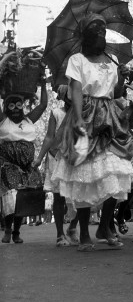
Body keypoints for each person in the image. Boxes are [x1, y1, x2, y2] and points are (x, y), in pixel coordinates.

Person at [50, 13, 133, 251]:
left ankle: (104, 226)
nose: (101, 35)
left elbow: (116, 93)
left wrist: (122, 78)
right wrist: (76, 118)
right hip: (85, 115)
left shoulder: (112, 59)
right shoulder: (77, 60)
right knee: (84, 176)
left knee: (115, 171)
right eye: (95, 31)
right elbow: (76, 89)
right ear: (86, 36)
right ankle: (85, 233)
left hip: (109, 118)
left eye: (103, 31)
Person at [0, 84, 48, 244]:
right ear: (6, 107)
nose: (15, 109)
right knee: (11, 198)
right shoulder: (3, 120)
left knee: (23, 198)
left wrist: (42, 84)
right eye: (11, 106)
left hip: (27, 167)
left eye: (18, 105)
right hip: (8, 165)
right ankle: (7, 229)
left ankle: (16, 231)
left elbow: (43, 105)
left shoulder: (29, 119)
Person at [33, 85, 79, 246]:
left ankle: (72, 228)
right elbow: (49, 137)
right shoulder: (56, 113)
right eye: (68, 96)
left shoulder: (83, 113)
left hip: (77, 158)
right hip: (57, 157)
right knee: (59, 197)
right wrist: (39, 158)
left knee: (82, 196)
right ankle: (60, 234)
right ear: (63, 97)